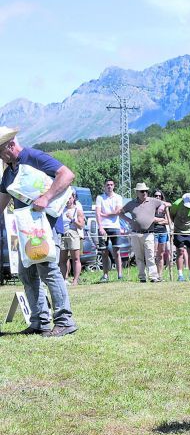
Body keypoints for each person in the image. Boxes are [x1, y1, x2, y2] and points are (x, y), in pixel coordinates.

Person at [0, 128, 78, 336]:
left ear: (10, 145)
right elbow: (2, 201)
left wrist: (46, 197)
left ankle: (65, 321)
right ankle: (39, 321)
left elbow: (67, 174)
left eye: (0, 151)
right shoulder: (8, 172)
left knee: (48, 269)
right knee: (27, 272)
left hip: (47, 226)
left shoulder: (34, 156)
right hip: (27, 230)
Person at [121, 182, 169, 283]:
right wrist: (129, 220)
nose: (144, 193)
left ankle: (153, 277)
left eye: (146, 191)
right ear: (137, 192)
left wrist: (162, 206)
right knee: (138, 256)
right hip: (135, 233)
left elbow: (168, 204)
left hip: (149, 233)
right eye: (142, 191)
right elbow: (120, 213)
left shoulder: (153, 201)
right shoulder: (131, 204)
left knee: (150, 255)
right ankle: (142, 277)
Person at [96, 178, 125, 282]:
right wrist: (100, 227)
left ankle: (120, 275)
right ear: (104, 186)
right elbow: (98, 213)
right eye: (107, 184)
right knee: (104, 252)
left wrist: (105, 214)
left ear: (114, 186)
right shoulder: (100, 198)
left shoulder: (118, 197)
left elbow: (118, 211)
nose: (109, 186)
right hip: (103, 228)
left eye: (111, 184)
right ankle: (105, 275)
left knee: (117, 251)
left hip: (115, 227)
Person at [170, 193, 190, 281]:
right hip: (179, 231)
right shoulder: (177, 204)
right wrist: (173, 226)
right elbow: (171, 215)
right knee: (180, 252)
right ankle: (180, 275)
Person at [59, 190, 85, 285]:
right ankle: (63, 280)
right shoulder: (61, 209)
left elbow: (81, 225)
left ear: (73, 198)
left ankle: (75, 280)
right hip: (62, 234)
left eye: (70, 198)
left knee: (76, 258)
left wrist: (72, 219)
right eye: (66, 198)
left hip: (73, 233)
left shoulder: (77, 210)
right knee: (62, 259)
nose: (68, 200)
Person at [150, 190, 173, 280]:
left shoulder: (165, 208)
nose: (158, 197)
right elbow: (151, 219)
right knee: (153, 253)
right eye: (156, 196)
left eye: (159, 196)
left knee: (161, 254)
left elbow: (168, 221)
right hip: (153, 232)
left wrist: (158, 220)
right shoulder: (151, 207)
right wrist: (160, 220)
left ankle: (160, 275)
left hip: (163, 232)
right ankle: (153, 275)